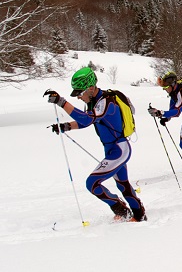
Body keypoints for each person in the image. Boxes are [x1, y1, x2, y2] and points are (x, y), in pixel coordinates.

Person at [45, 67, 146, 222]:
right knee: (123, 184)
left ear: (90, 88)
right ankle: (138, 215)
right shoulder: (95, 102)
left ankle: (121, 209)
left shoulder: (107, 102)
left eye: (79, 93)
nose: (78, 97)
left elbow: (87, 119)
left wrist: (61, 102)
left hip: (119, 149)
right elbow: (87, 121)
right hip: (112, 149)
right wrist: (66, 126)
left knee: (92, 183)